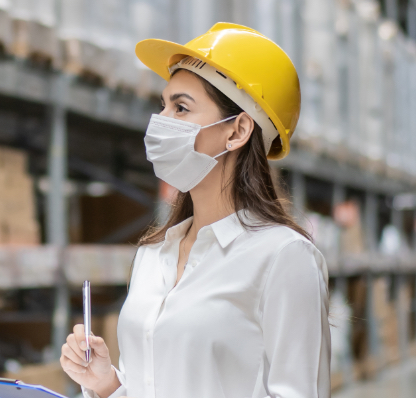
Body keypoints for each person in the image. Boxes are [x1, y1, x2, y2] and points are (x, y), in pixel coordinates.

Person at [59, 23, 330, 398]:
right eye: (164, 105)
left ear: (236, 131)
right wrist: (106, 384)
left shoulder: (284, 257)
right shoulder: (153, 255)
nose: (161, 122)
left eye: (181, 107)